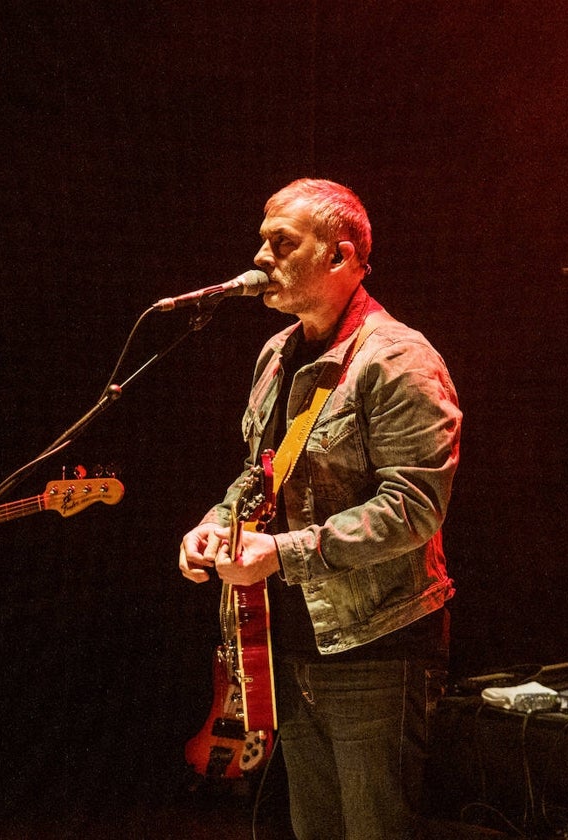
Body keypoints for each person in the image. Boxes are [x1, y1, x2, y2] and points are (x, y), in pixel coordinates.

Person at [179, 178, 462, 839]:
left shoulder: (398, 358)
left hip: (377, 645)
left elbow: (415, 506)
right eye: (261, 241)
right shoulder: (277, 353)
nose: (261, 258)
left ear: (339, 257)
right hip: (293, 642)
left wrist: (279, 554)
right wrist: (216, 525)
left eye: (283, 243)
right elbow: (262, 475)